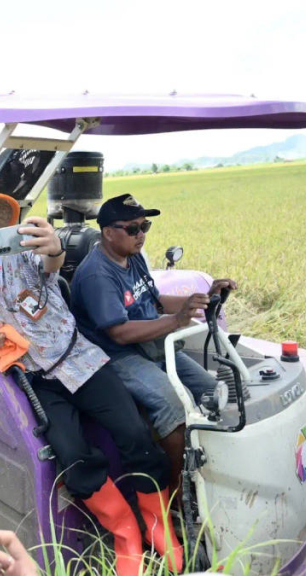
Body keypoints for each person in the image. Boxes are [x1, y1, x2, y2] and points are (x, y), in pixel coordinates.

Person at [0, 189, 181, 576]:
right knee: (73, 460)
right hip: (37, 381)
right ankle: (126, 535)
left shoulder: (24, 251)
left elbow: (51, 261)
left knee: (135, 435)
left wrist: (55, 247)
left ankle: (161, 530)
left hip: (81, 361)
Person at [71, 193, 236, 500]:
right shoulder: (97, 274)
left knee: (213, 391)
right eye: (132, 229)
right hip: (117, 356)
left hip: (152, 344)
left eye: (144, 225)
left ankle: (214, 474)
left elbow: (154, 300)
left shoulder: (133, 258)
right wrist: (177, 320)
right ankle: (174, 497)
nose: (141, 234)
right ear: (108, 232)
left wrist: (203, 299)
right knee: (174, 404)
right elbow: (119, 333)